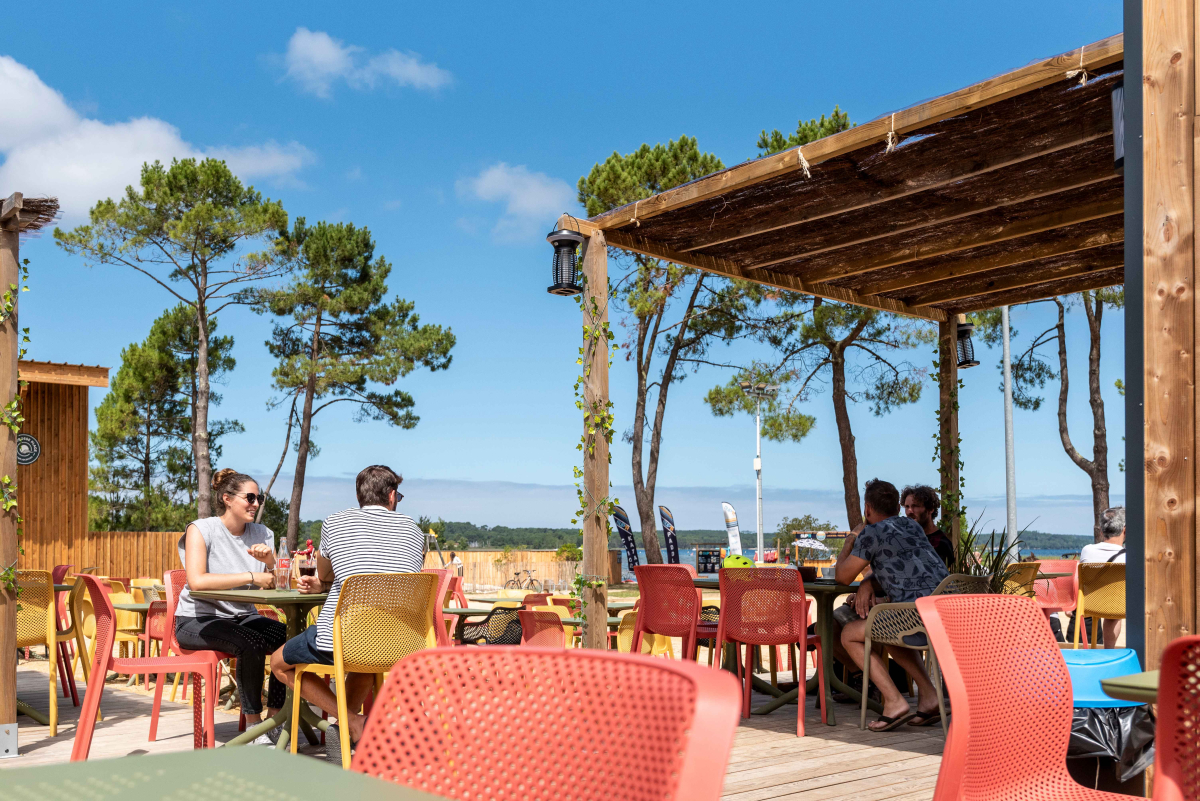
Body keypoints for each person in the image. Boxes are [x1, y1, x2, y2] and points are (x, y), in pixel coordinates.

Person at [271, 464, 426, 763]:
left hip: (347, 638)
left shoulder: (334, 523)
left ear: (359, 496)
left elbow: (326, 572)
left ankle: (352, 722)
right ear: (392, 496)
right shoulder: (414, 530)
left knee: (279, 664)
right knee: (364, 662)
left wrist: (324, 582)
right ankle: (345, 730)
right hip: (401, 642)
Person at [174, 469, 288, 745]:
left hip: (242, 616)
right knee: (251, 643)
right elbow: (197, 581)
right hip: (196, 619)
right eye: (249, 497)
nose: (256, 504)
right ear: (227, 498)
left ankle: (273, 719)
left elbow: (273, 585)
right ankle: (252, 726)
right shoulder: (200, 530)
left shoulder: (263, 533)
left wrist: (271, 563)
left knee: (290, 638)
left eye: (259, 498)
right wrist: (251, 576)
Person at [836, 478, 950, 731]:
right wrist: (869, 581)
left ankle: (894, 700)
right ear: (897, 508)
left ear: (867, 508)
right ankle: (930, 697)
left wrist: (850, 540)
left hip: (917, 617)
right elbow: (904, 565)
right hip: (945, 613)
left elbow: (842, 577)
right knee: (887, 629)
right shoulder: (913, 527)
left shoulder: (870, 533)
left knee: (849, 634)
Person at [1075, 506, 1126, 647]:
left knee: (1113, 606)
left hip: (1089, 606)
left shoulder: (1087, 550)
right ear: (1125, 530)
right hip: (1119, 607)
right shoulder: (1129, 555)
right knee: (1116, 609)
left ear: (1102, 529)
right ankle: (1110, 649)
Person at [901, 484, 954, 568]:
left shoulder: (942, 544)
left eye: (915, 506)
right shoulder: (904, 538)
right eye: (907, 507)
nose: (909, 511)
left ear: (930, 509)